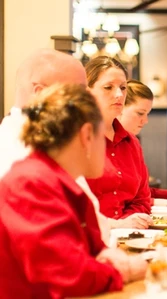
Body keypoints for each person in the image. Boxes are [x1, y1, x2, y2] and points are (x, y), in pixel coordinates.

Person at [0, 84, 147, 298]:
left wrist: (108, 256)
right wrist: (129, 270)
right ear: (87, 135)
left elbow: (90, 248)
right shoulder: (31, 183)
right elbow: (70, 275)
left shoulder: (60, 180)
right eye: (103, 135)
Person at [0, 49, 111, 243]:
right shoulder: (21, 150)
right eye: (77, 92)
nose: (88, 102)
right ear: (41, 94)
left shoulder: (50, 138)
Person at [85, 57, 153, 229]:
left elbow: (142, 199)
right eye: (108, 87)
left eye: (123, 88)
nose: (119, 95)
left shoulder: (132, 143)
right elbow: (70, 207)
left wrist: (128, 223)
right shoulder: (75, 140)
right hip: (88, 238)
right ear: (87, 91)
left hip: (128, 236)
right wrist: (117, 225)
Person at [118, 79, 167, 207]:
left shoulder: (133, 143)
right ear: (119, 107)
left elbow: (140, 192)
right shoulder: (100, 142)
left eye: (147, 114)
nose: (146, 120)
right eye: (140, 113)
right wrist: (154, 202)